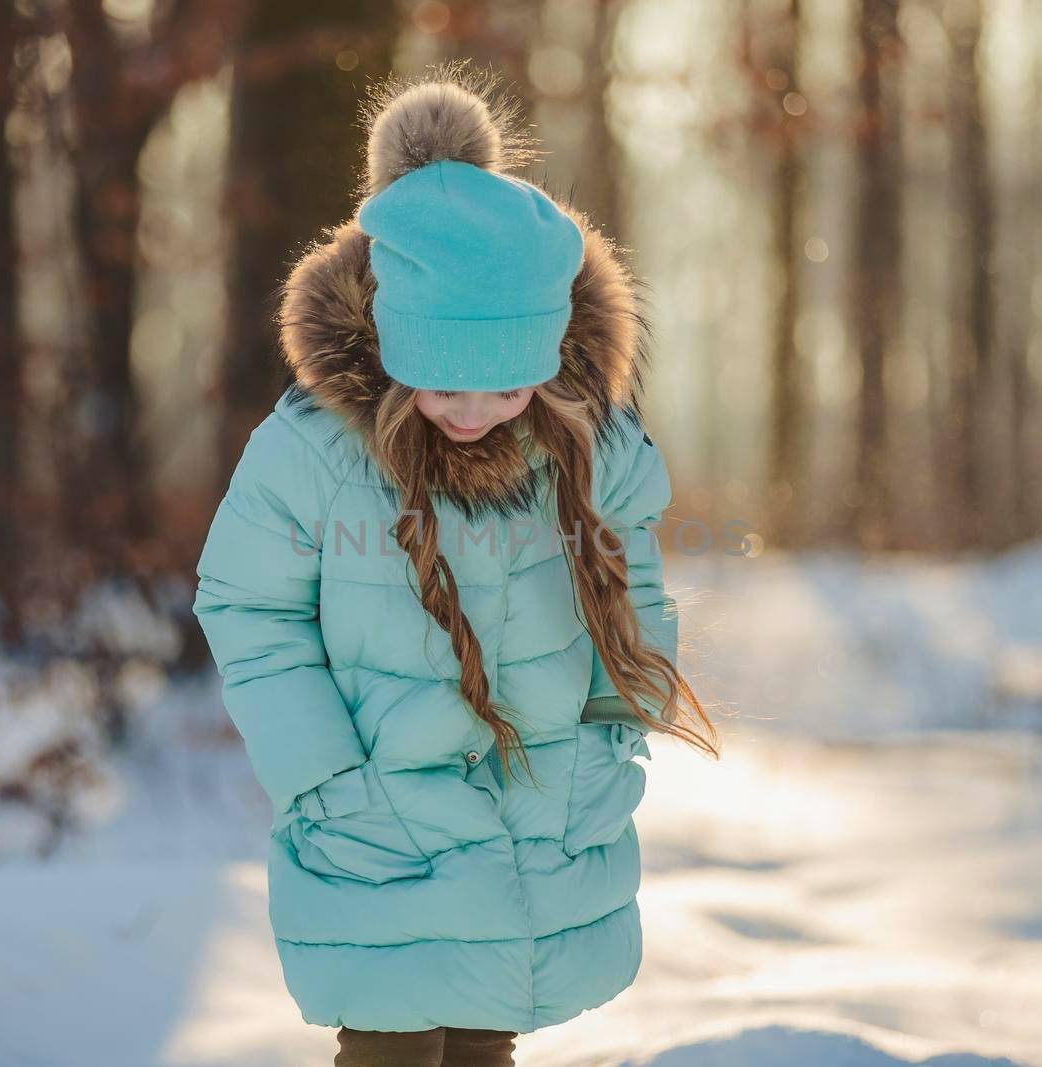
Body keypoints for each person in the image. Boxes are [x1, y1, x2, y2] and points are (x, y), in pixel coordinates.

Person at [193, 70, 720, 1067]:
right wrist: (325, 780)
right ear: (393, 346)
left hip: (539, 805)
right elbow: (245, 604)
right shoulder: (312, 447)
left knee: (485, 1040)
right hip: (377, 820)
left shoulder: (584, 439)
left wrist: (611, 740)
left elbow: (633, 590)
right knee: (391, 1045)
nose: (473, 413)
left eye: (506, 386)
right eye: (442, 385)